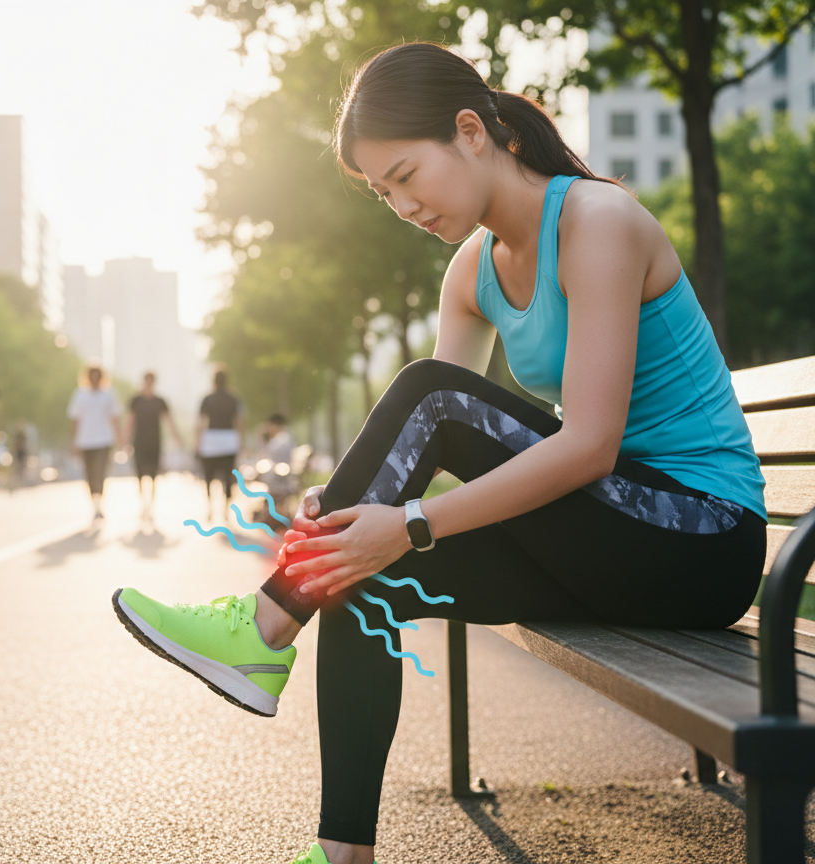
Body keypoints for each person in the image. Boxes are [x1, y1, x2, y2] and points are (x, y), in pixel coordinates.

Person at [112, 42, 767, 864]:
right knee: (361, 572)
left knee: (421, 421)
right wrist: (353, 503)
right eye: (384, 193)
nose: (402, 206)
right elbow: (428, 445)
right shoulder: (473, 270)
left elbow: (587, 444)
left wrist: (408, 524)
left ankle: (266, 620)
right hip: (612, 538)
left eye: (406, 175)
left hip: (700, 538)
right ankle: (342, 852)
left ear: (470, 131)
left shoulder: (600, 223)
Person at [126, 371, 184, 521]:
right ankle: (142, 503)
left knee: (153, 475)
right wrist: (124, 440)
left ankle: (150, 505)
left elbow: (169, 421)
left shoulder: (160, 401)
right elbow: (129, 422)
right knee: (139, 474)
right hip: (139, 442)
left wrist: (177, 437)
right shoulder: (136, 401)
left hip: (155, 442)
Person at [67, 363, 122, 521]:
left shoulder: (109, 395)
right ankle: (95, 504)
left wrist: (121, 440)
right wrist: (73, 442)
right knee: (90, 474)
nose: (94, 380)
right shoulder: (80, 395)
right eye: (92, 377)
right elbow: (75, 420)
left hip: (104, 440)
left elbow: (115, 419)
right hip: (85, 441)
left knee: (100, 472)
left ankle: (100, 503)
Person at [197, 367, 244, 522]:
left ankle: (210, 509)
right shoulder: (233, 398)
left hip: (210, 442)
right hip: (229, 441)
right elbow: (239, 422)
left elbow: (201, 423)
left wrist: (197, 442)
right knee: (227, 477)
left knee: (209, 477)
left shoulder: (207, 398)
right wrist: (242, 442)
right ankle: (225, 511)